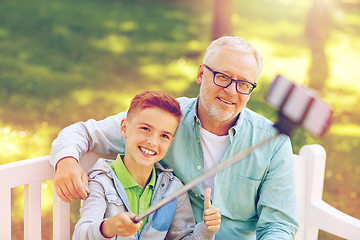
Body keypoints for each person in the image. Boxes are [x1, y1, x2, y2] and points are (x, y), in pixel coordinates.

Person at [51, 36, 299, 239]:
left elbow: (278, 226)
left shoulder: (273, 142)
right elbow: (83, 132)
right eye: (222, 77)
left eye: (244, 84)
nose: (231, 91)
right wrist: (67, 161)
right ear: (201, 74)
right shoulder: (166, 121)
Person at [73, 91, 221, 239]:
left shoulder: (174, 190)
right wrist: (109, 227)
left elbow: (182, 237)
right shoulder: (101, 181)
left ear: (170, 141)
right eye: (145, 129)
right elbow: (81, 235)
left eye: (164, 136)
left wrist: (206, 230)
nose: (153, 142)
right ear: (124, 128)